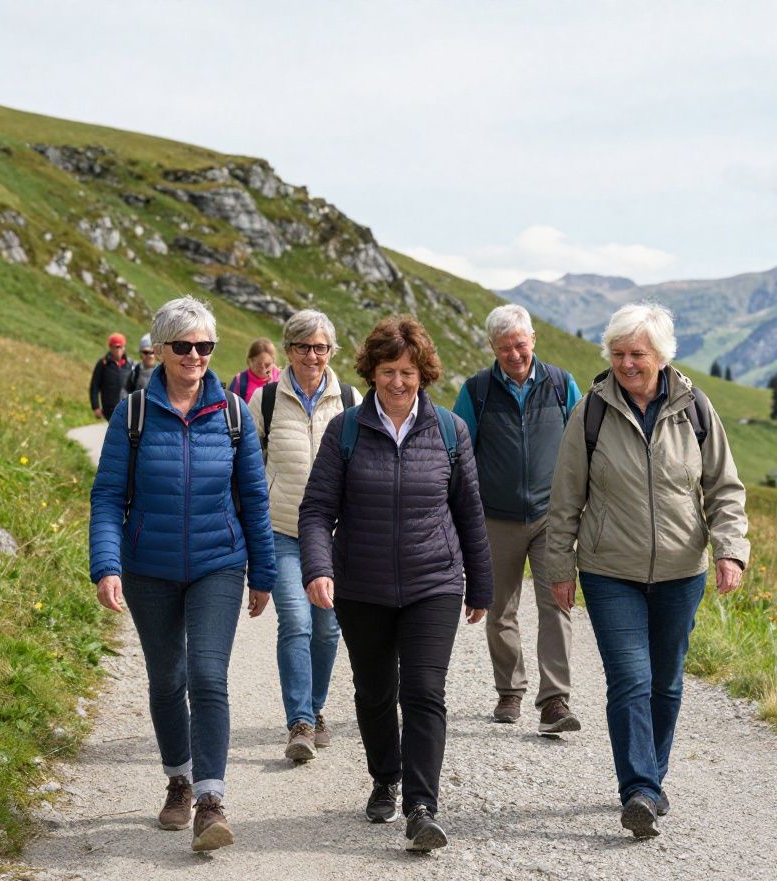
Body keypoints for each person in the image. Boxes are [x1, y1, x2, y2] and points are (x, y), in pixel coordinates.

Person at [545, 302, 750, 839]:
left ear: (661, 355)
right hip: (610, 569)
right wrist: (558, 566)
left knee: (667, 681)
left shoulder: (696, 409)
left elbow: (724, 488)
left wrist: (731, 549)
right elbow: (565, 498)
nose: (627, 363)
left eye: (637, 353)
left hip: (683, 570)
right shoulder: (590, 412)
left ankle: (651, 782)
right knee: (631, 679)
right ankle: (637, 788)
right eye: (618, 353)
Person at [89, 296, 277, 853]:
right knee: (167, 677)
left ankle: (211, 802)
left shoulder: (234, 415)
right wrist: (106, 565)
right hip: (148, 568)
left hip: (219, 563)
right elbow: (107, 498)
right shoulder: (136, 413)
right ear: (163, 350)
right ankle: (178, 779)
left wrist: (262, 571)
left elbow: (254, 500)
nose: (195, 355)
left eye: (205, 346)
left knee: (207, 675)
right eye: (183, 346)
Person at [299, 315, 492, 852]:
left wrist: (480, 585)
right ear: (372, 372)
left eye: (408, 371)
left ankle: (421, 806)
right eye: (388, 371)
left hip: (433, 582)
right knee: (375, 691)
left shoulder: (450, 431)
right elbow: (316, 510)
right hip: (361, 586)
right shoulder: (346, 431)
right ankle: (385, 777)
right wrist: (317, 567)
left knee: (425, 692)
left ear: (423, 372)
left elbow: (469, 513)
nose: (399, 382)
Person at [452, 304, 582, 734]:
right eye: (505, 347)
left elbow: (584, 445)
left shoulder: (562, 386)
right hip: (496, 517)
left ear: (533, 340)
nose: (514, 354)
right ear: (492, 347)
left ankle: (555, 700)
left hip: (552, 517)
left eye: (520, 345)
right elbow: (458, 453)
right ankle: (510, 692)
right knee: (500, 608)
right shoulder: (477, 391)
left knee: (557, 603)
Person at [247, 310, 362, 763]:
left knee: (327, 627)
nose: (311, 356)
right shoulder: (268, 399)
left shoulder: (350, 399)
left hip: (334, 535)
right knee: (294, 620)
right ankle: (299, 721)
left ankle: (314, 710)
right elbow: (250, 465)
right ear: (288, 349)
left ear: (331, 351)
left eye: (320, 348)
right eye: (302, 347)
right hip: (282, 528)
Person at [89, 332, 131, 420]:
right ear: (110, 347)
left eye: (121, 347)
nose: (118, 350)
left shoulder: (129, 364)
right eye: (116, 347)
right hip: (109, 410)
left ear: (124, 348)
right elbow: (94, 386)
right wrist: (95, 407)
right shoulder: (103, 364)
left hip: (127, 408)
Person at [227, 337, 282, 402]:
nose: (263, 369)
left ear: (273, 362)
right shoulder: (240, 381)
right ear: (250, 361)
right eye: (259, 364)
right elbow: (229, 405)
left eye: (267, 365)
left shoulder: (281, 379)